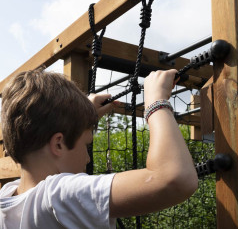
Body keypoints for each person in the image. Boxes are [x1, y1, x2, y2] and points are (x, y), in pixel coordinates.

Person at [0, 68, 198, 228]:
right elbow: (174, 179)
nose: (87, 158)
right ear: (58, 144)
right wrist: (156, 103)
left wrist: (76, 119)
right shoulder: (58, 195)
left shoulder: (7, 198)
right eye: (86, 144)